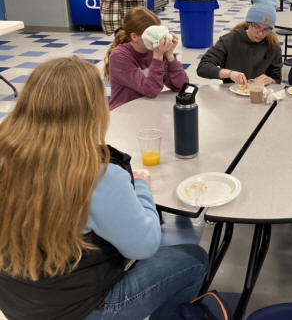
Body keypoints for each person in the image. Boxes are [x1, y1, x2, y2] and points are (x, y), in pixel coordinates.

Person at [0, 56, 208, 320]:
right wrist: (142, 187)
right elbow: (144, 246)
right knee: (194, 259)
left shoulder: (5, 154)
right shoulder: (96, 174)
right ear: (94, 109)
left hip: (15, 301)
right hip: (77, 310)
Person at [104, 6, 189, 110]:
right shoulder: (119, 56)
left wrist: (170, 56)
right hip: (124, 110)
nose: (158, 38)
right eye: (152, 35)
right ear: (134, 36)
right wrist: (157, 58)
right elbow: (151, 90)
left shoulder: (154, 50)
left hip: (147, 107)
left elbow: (181, 86)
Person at [197, 0, 282, 85]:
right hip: (230, 92)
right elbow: (203, 67)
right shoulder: (229, 40)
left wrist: (271, 80)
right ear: (249, 23)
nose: (260, 33)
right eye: (256, 27)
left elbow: (277, 79)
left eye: (266, 29)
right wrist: (229, 73)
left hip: (260, 92)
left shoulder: (273, 46)